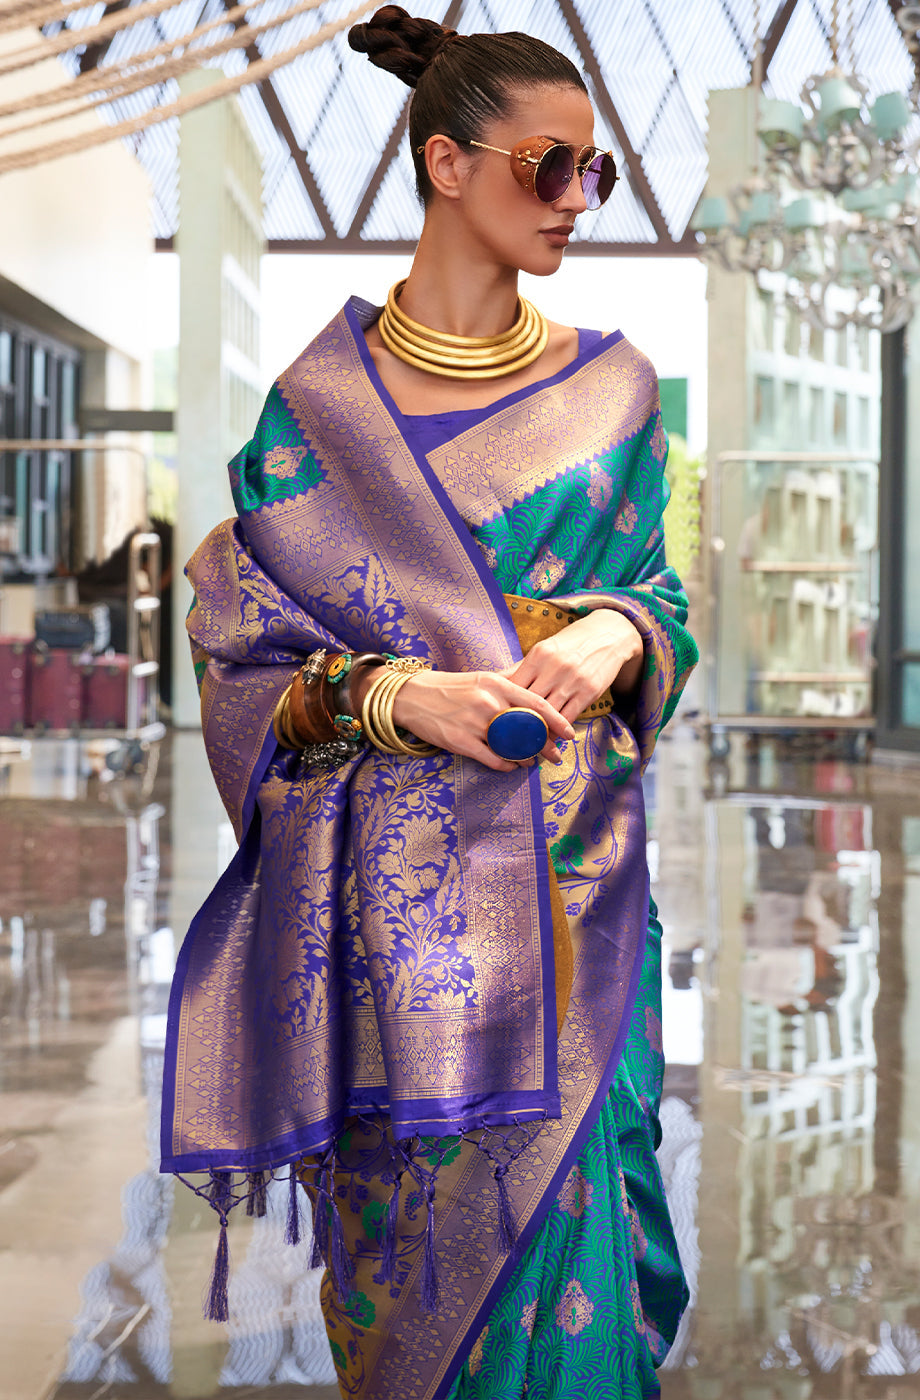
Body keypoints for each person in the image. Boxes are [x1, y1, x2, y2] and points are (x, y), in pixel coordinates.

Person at [161, 8, 698, 1398]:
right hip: (389, 915)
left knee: (583, 1238)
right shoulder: (315, 413)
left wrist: (617, 632)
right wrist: (400, 698)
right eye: (547, 166)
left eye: (595, 171)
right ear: (447, 164)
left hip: (579, 891)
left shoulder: (619, 392)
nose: (576, 198)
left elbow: (662, 594)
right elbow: (243, 657)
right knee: (403, 1252)